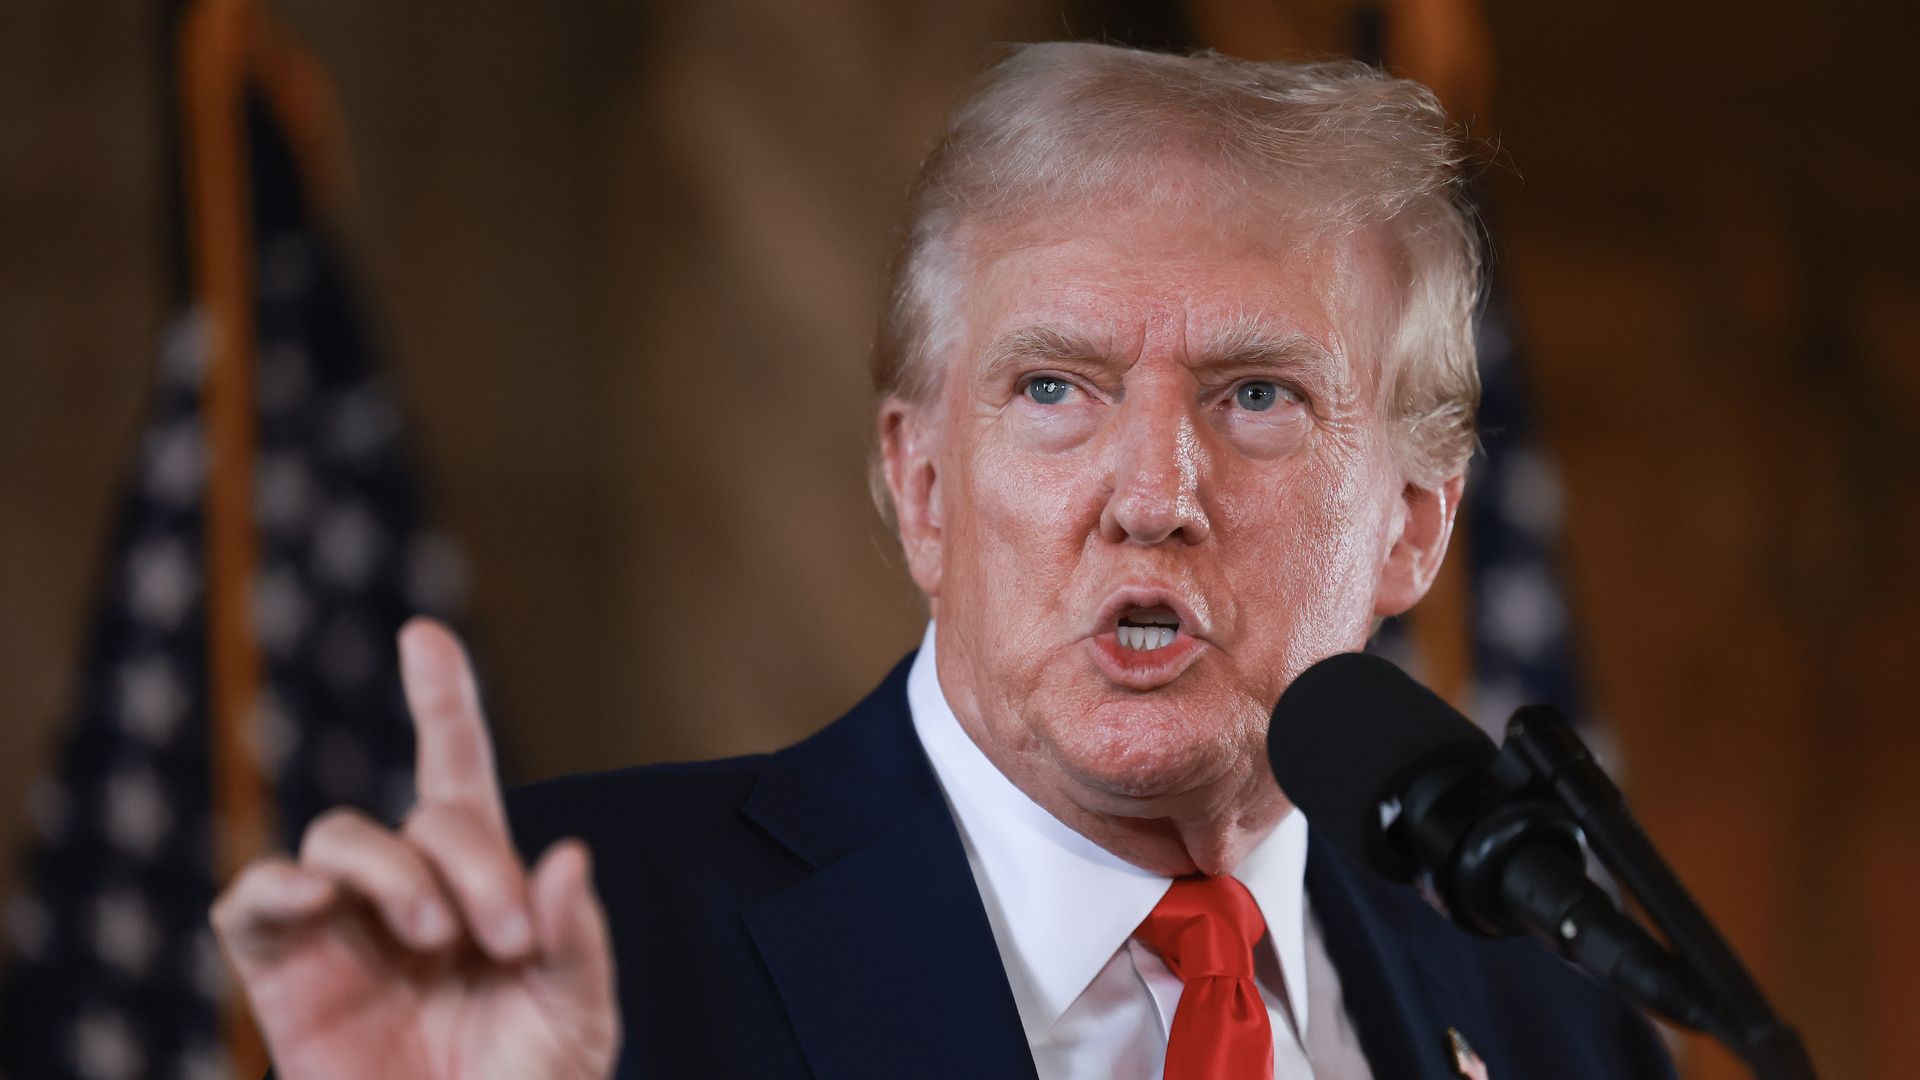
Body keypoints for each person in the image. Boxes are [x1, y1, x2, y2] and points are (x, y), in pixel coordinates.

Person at [212, 42, 1675, 1079]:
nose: (1152, 495)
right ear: (919, 483)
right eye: (1055, 390)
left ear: (1417, 521)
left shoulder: (1558, 1025)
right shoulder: (591, 939)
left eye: (1257, 398)